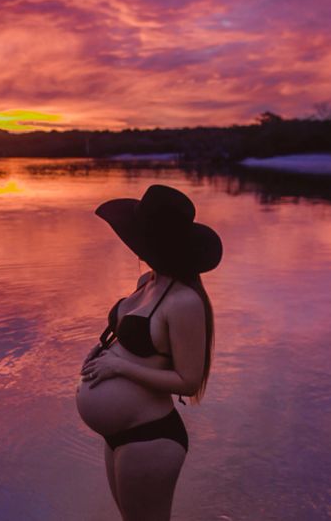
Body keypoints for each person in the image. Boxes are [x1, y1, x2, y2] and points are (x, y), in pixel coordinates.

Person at [75, 184, 222, 520]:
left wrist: (119, 369)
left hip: (150, 437)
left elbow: (188, 381)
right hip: (117, 434)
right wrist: (100, 349)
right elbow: (130, 334)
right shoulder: (148, 281)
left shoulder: (184, 301)